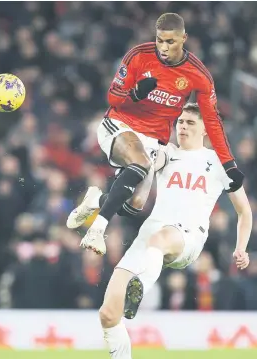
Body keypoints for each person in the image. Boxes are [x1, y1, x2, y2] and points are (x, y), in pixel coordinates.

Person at [89, 103, 252, 359]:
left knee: (161, 238)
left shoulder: (219, 163)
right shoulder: (166, 153)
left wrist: (242, 248)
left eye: (190, 122)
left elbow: (244, 212)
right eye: (180, 121)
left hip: (187, 238)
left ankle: (140, 289)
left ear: (205, 128)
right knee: (108, 313)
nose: (183, 127)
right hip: (150, 236)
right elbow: (144, 162)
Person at [66, 13, 244, 256]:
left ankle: (94, 201)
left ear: (184, 39)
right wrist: (135, 95)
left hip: (153, 139)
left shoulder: (198, 75)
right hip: (120, 124)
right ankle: (97, 229)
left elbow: (212, 121)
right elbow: (113, 99)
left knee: (135, 204)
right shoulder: (139, 55)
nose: (163, 47)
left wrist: (229, 163)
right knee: (139, 163)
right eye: (160, 40)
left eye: (170, 42)